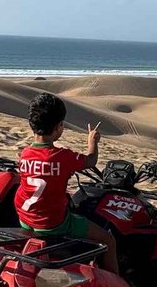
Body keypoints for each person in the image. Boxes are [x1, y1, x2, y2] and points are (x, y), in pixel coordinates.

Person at [14, 93, 119, 275]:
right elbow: (91, 161)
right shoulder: (63, 157)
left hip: (25, 217)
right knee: (108, 240)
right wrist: (92, 141)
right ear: (57, 128)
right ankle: (117, 285)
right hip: (53, 223)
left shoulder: (25, 153)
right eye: (62, 124)